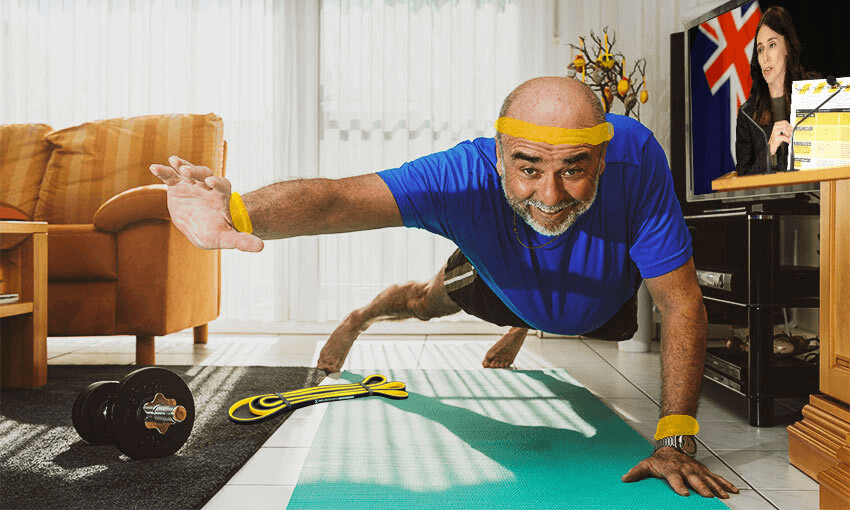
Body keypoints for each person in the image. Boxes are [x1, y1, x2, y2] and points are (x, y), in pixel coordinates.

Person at [150, 76, 739, 499]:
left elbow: (681, 303)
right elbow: (335, 199)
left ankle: (522, 320)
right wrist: (235, 210)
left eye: (574, 169)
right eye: (529, 168)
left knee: (597, 276)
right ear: (500, 153)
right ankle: (361, 317)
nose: (552, 194)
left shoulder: (639, 162)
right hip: (498, 275)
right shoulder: (459, 178)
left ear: (603, 159)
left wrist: (676, 441)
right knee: (419, 302)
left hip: (600, 303)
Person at [736, 5, 817, 175]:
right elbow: (742, 179)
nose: (765, 57)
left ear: (787, 47)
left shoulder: (815, 92)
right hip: (768, 202)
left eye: (772, 45)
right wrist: (768, 151)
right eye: (760, 49)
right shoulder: (747, 114)